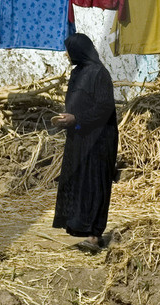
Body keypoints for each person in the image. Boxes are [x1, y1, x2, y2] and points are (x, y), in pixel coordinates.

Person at [50, 32, 119, 253]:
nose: (67, 54)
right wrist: (67, 120)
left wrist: (77, 118)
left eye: (70, 50)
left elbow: (104, 108)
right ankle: (80, 228)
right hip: (79, 136)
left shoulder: (100, 74)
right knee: (80, 183)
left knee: (96, 183)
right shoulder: (77, 73)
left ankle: (94, 235)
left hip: (99, 140)